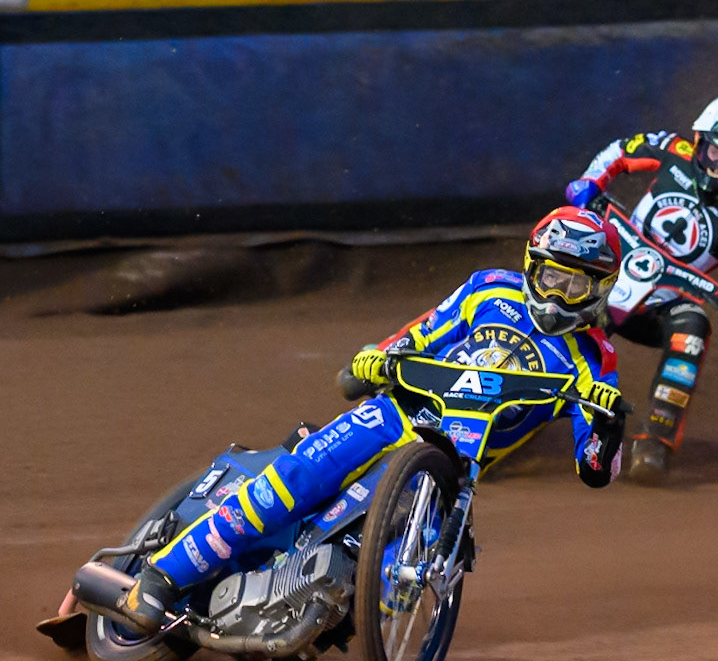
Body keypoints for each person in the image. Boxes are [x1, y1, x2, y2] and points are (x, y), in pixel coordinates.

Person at [115, 206, 627, 635]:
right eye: (551, 276)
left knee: (396, 588)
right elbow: (422, 333)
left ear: (600, 290)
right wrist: (374, 357)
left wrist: (606, 429)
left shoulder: (595, 359)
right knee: (293, 481)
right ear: (530, 266)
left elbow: (592, 467)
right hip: (394, 413)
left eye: (576, 284)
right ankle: (161, 578)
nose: (559, 294)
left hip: (450, 470)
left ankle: (314, 617)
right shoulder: (489, 291)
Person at [566, 89, 718, 485]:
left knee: (694, 327)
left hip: (664, 304)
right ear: (699, 141)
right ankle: (516, 402)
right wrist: (589, 183)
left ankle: (655, 444)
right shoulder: (674, 149)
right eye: (714, 152)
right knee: (561, 298)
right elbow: (620, 151)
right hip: (609, 270)